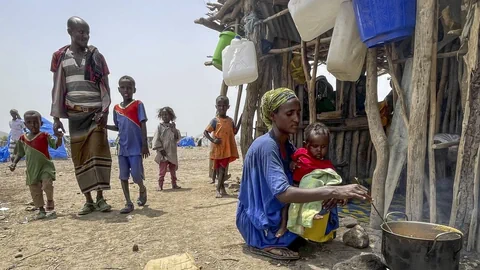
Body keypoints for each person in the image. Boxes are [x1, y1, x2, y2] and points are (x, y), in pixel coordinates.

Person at [236, 88, 369, 260]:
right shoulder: (267, 146)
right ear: (272, 115)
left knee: (322, 187)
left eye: (298, 113)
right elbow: (283, 193)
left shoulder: (287, 145)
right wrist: (335, 191)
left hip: (274, 211)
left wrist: (332, 191)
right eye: (289, 113)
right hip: (258, 220)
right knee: (328, 192)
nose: (297, 119)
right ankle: (265, 244)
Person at [50, 16, 112, 215]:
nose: (85, 36)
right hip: (75, 115)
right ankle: (88, 200)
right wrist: (56, 118)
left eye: (87, 32)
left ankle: (101, 198)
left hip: (95, 114)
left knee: (99, 153)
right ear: (70, 31)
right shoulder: (60, 56)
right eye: (81, 32)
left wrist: (105, 111)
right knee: (80, 158)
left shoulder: (96, 56)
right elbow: (57, 88)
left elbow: (106, 86)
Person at [276, 122, 339, 237]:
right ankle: (283, 226)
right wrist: (292, 163)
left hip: (311, 193)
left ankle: (310, 215)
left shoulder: (326, 165)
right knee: (285, 205)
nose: (319, 150)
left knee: (317, 197)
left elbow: (333, 179)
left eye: (323, 146)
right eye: (315, 146)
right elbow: (291, 160)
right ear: (306, 145)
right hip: (296, 188)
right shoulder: (301, 154)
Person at [106, 76, 149, 213]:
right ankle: (128, 202)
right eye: (123, 87)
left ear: (134, 89)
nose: (126, 90)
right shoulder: (116, 108)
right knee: (123, 176)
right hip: (122, 148)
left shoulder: (138, 104)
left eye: (129, 88)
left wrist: (145, 144)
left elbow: (143, 124)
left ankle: (142, 189)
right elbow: (118, 127)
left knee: (136, 175)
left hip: (135, 147)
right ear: (119, 89)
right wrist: (105, 126)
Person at [9, 111, 63, 219]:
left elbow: (55, 146)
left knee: (47, 184)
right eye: (29, 122)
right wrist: (14, 163)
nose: (33, 125)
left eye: (35, 122)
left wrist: (60, 137)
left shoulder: (45, 135)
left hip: (45, 166)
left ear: (41, 123)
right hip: (31, 169)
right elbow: (20, 153)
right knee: (35, 190)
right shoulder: (23, 139)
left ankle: (50, 200)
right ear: (25, 124)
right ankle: (41, 210)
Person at [204, 96, 241, 198]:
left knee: (222, 170)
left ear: (228, 107)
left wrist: (241, 120)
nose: (222, 108)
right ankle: (221, 189)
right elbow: (206, 132)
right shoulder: (215, 121)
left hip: (226, 150)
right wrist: (213, 140)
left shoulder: (230, 121)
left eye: (224, 106)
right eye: (219, 106)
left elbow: (234, 132)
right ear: (216, 107)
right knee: (218, 169)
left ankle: (218, 189)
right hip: (217, 150)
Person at [152, 107, 181, 191]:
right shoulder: (159, 127)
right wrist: (160, 149)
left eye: (166, 115)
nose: (165, 116)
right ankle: (160, 185)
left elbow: (177, 138)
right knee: (162, 170)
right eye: (163, 115)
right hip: (163, 152)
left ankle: (174, 184)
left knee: (173, 169)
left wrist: (174, 129)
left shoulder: (173, 127)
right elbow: (156, 139)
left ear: (170, 116)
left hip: (171, 152)